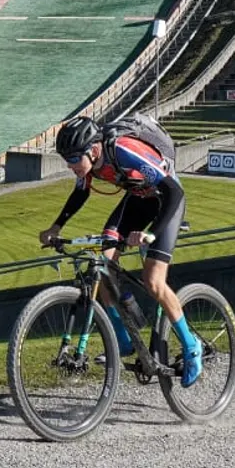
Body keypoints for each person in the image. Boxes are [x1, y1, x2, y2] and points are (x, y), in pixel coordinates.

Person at [39, 115, 203, 386]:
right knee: (102, 266)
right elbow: (80, 194)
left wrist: (151, 233)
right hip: (138, 199)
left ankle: (191, 345)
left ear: (93, 150)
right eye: (66, 160)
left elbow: (174, 192)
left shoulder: (124, 150)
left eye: (73, 159)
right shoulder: (88, 164)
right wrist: (55, 227)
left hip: (166, 203)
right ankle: (125, 341)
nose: (70, 165)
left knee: (153, 281)